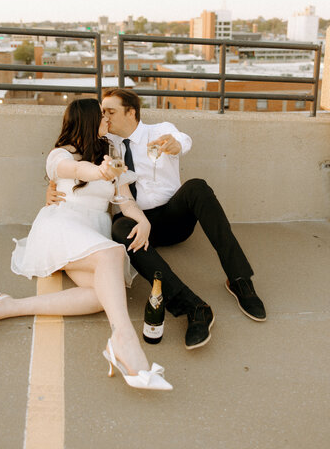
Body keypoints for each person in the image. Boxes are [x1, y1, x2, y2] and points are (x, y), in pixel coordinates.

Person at [0, 98, 172, 391]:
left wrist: (144, 221)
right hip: (60, 226)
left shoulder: (111, 152)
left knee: (102, 295)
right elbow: (76, 171)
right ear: (87, 120)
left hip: (91, 232)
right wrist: (101, 173)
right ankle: (124, 342)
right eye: (102, 116)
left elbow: (125, 199)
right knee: (113, 253)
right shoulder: (60, 155)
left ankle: (5, 307)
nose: (107, 120)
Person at [47, 89, 266, 351]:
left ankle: (240, 280)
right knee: (119, 227)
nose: (105, 117)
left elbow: (183, 139)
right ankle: (192, 308)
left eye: (111, 112)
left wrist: (177, 145)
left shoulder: (160, 131)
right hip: (136, 223)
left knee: (197, 186)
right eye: (102, 113)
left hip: (172, 217)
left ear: (131, 112)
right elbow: (72, 164)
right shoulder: (105, 143)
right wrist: (50, 187)